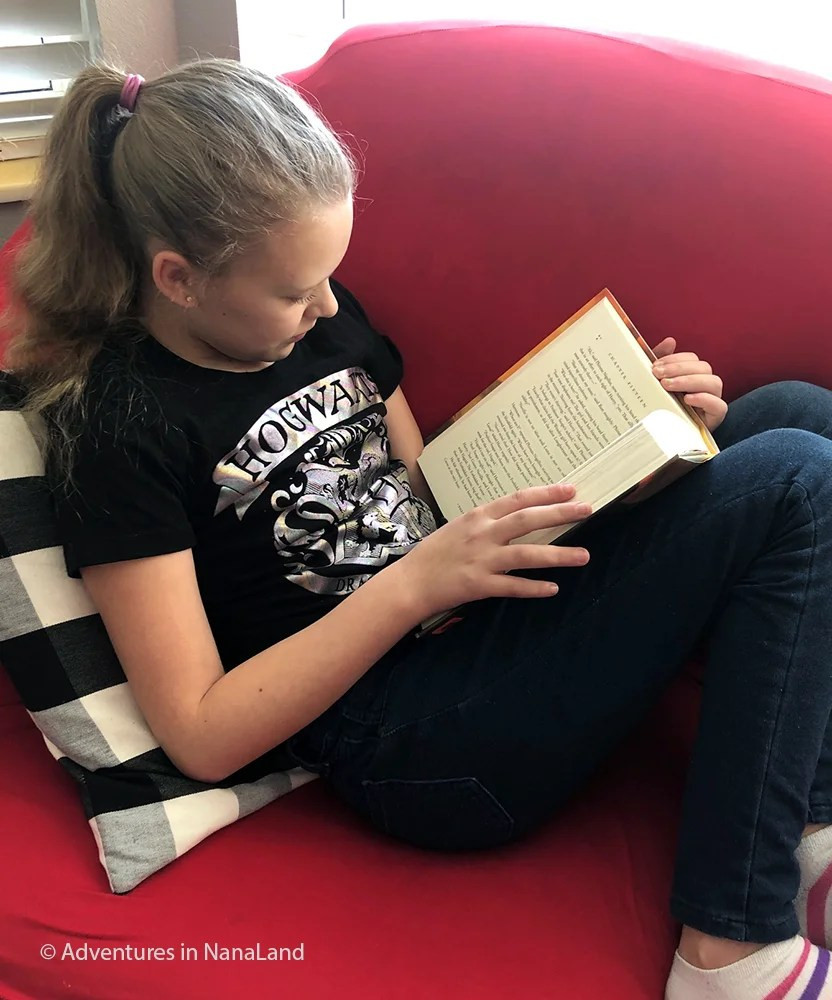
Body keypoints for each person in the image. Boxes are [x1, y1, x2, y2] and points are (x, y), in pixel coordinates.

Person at [5, 59, 832, 1000]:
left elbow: (434, 485)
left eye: (331, 276)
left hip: (479, 616)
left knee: (795, 417)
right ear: (178, 278)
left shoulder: (323, 321)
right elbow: (200, 735)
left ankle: (807, 816)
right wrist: (415, 586)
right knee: (799, 479)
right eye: (295, 290)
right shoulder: (120, 429)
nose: (325, 308)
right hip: (409, 744)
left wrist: (642, 446)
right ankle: (728, 947)